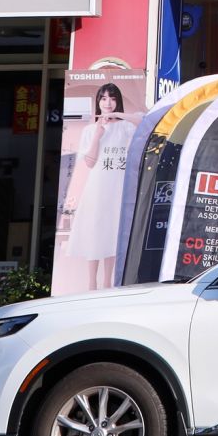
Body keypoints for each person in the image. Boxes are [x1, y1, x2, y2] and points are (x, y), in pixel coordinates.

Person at [64, 82, 134, 292]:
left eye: (112, 98)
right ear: (98, 102)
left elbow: (143, 122)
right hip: (97, 186)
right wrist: (97, 134)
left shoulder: (126, 126)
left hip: (117, 185)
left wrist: (118, 116)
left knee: (112, 230)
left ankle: (107, 282)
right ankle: (91, 283)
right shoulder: (89, 130)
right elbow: (89, 162)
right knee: (95, 230)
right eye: (103, 99)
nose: (108, 103)